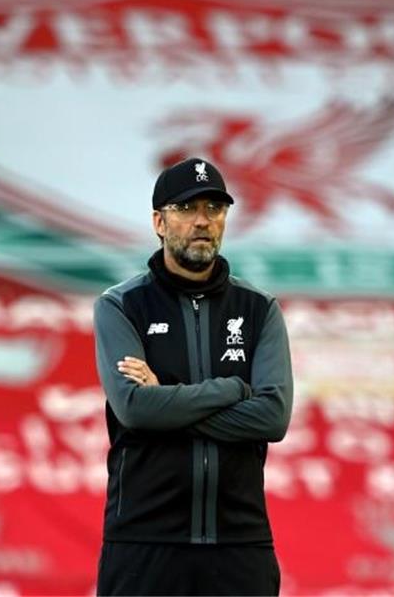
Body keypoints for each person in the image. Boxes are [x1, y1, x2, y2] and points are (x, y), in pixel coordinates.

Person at [92, 157, 294, 596]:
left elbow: (272, 418)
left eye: (214, 209)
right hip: (143, 543)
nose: (203, 221)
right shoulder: (121, 306)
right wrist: (229, 390)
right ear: (159, 222)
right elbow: (134, 409)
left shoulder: (259, 309)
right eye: (186, 209)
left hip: (240, 545)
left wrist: (166, 400)